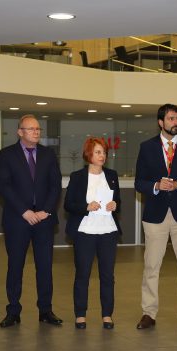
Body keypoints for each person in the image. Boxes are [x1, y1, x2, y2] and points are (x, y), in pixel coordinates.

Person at [134, 104, 177, 331]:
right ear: (160, 122)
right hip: (155, 215)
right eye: (171, 118)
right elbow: (139, 182)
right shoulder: (146, 147)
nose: (176, 122)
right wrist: (156, 185)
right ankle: (149, 313)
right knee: (151, 266)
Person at [0, 114, 63, 327]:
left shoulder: (48, 154)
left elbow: (55, 185)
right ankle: (13, 311)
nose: (36, 132)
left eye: (38, 129)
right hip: (18, 220)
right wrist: (24, 211)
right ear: (20, 132)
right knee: (15, 266)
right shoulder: (6, 154)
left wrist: (46, 211)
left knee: (45, 267)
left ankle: (46, 310)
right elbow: (4, 186)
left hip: (43, 220)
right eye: (31, 129)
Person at [64, 137, 121, 330]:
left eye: (104, 152)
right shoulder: (77, 176)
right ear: (89, 154)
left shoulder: (112, 175)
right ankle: (80, 314)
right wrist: (86, 206)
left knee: (107, 276)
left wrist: (115, 205)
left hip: (108, 231)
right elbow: (68, 204)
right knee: (83, 274)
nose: (102, 156)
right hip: (85, 231)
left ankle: (107, 315)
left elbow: (117, 201)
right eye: (98, 152)